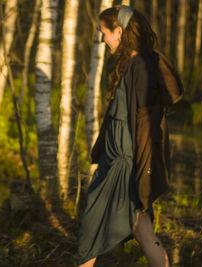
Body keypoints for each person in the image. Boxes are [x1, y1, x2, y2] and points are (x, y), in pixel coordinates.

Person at [77, 5, 183, 267]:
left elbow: (147, 124)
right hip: (115, 162)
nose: (103, 39)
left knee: (91, 227)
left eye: (105, 32)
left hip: (122, 167)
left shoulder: (141, 68)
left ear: (120, 32)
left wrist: (143, 171)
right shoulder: (132, 65)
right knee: (142, 229)